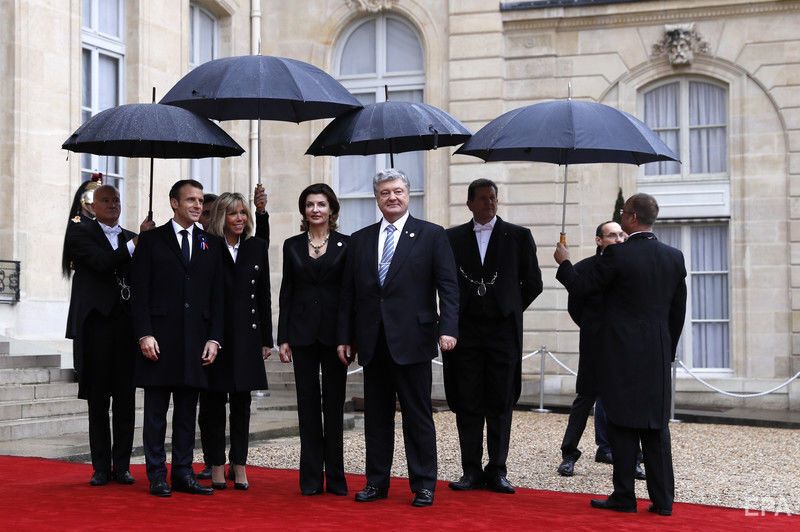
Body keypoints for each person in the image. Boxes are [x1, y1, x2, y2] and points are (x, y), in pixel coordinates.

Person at [554, 193, 687, 516]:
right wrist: (667, 349)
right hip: (657, 352)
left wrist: (564, 262)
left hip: (620, 352)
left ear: (632, 218)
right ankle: (663, 501)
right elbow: (678, 310)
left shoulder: (617, 255)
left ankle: (624, 496)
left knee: (622, 423)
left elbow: (583, 289)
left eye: (624, 213)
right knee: (656, 426)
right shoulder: (674, 257)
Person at [337, 169, 459, 508]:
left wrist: (449, 328)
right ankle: (376, 482)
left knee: (417, 416)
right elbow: (349, 294)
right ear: (377, 198)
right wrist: (345, 336)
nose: (392, 197)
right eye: (385, 192)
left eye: (398, 191)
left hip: (413, 340)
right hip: (373, 341)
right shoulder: (360, 239)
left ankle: (424, 484)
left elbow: (449, 287)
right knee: (376, 418)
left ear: (408, 194)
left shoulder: (432, 235)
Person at [444, 178, 542, 494]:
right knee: (468, 402)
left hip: (503, 334)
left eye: (493, 198)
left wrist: (509, 307)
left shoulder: (518, 236)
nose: (489, 203)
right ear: (469, 203)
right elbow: (445, 282)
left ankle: (498, 470)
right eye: (483, 198)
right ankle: (470, 470)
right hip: (466, 333)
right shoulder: (452, 238)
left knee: (500, 403)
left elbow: (534, 283)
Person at [131, 179, 225, 498]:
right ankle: (157, 474)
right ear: (174, 202)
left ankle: (183, 473)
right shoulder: (151, 240)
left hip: (196, 341)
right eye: (190, 200)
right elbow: (139, 292)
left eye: (200, 201)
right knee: (156, 414)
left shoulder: (211, 244)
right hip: (159, 340)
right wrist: (144, 333)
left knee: (187, 413)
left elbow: (218, 297)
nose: (197, 205)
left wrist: (214, 338)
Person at [64, 184, 153, 486]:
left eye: (116, 200)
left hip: (126, 328)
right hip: (96, 327)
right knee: (99, 400)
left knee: (125, 400)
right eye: (106, 200)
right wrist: (137, 243)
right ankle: (101, 467)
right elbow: (102, 263)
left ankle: (123, 465)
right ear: (93, 205)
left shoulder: (131, 237)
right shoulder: (80, 232)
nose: (113, 204)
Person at [557, 221, 647, 478]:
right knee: (584, 399)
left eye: (621, 235)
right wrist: (592, 327)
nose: (619, 239)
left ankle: (633, 458)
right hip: (595, 343)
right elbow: (576, 305)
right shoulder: (584, 268)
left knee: (626, 402)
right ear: (599, 240)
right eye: (612, 235)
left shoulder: (631, 268)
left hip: (623, 346)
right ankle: (569, 454)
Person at [278, 183, 349, 496]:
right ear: (303, 210)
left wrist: (348, 337)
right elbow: (287, 292)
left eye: (321, 204)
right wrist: (283, 337)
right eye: (310, 205)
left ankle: (335, 478)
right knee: (307, 407)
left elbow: (349, 295)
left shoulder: (347, 245)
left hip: (336, 337)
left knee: (334, 407)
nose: (315, 209)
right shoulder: (291, 245)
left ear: (331, 209)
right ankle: (309, 479)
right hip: (301, 334)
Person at [195, 185, 270, 481]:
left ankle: (239, 463)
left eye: (243, 213)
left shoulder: (255, 247)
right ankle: (215, 463)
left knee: (242, 403)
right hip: (215, 336)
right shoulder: (207, 246)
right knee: (213, 403)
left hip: (247, 337)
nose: (240, 218)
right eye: (233, 213)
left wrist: (266, 339)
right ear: (221, 217)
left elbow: (263, 295)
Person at [195, 191, 218, 481]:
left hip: (223, 335)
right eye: (205, 213)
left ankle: (232, 460)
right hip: (201, 335)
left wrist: (261, 214)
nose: (208, 218)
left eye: (213, 213)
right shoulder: (197, 243)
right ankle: (212, 460)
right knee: (208, 404)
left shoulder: (225, 243)